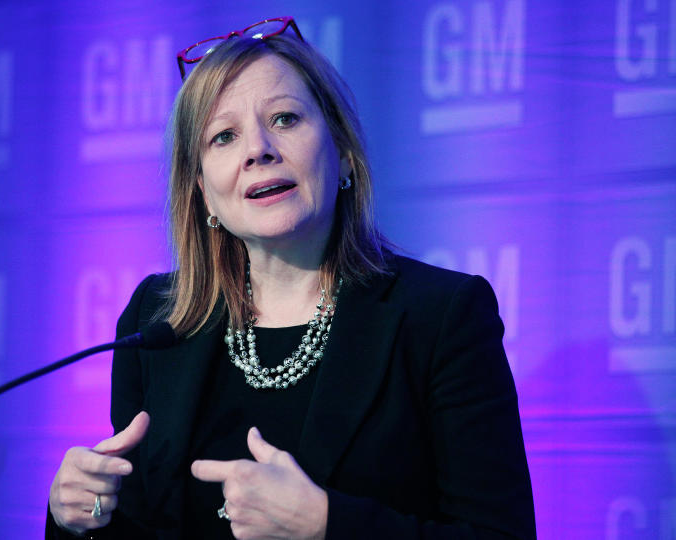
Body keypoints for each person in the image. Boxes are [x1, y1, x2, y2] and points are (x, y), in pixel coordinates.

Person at [47, 16, 535, 539]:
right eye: (224, 136)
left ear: (344, 154)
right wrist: (79, 516)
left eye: (284, 119)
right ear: (204, 192)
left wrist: (325, 524)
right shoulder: (158, 320)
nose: (258, 149)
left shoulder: (441, 316)